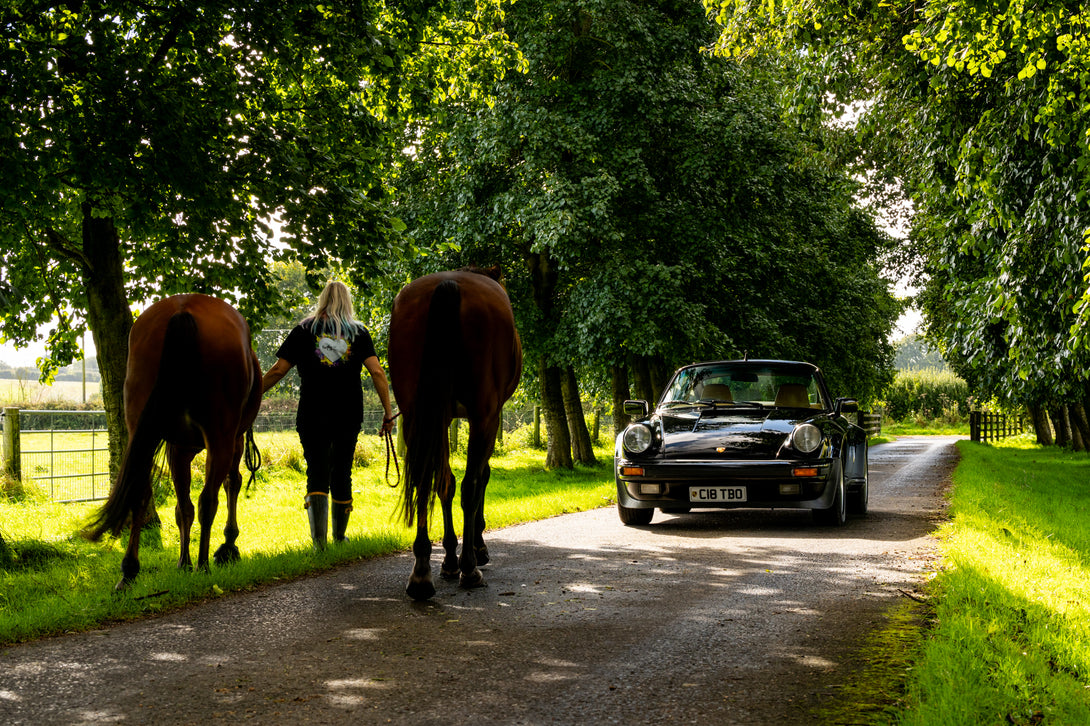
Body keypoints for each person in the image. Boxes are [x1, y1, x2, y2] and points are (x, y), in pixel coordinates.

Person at [262, 281, 395, 549]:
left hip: (312, 412)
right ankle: (339, 537)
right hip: (348, 413)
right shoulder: (358, 332)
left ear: (322, 299)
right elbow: (378, 372)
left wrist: (252, 396)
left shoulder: (303, 330)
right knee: (342, 470)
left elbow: (278, 371)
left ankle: (319, 542)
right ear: (347, 301)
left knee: (317, 469)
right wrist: (388, 412)